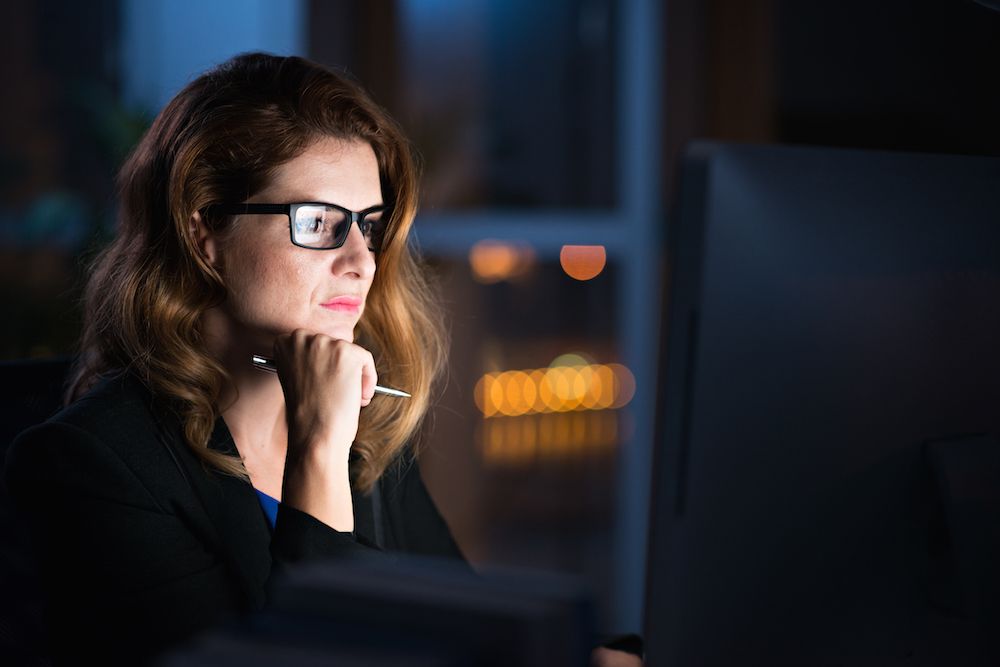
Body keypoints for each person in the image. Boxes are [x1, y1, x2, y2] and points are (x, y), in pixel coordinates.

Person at [4, 52, 641, 665]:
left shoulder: (359, 431)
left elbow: (460, 634)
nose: (361, 260)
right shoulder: (91, 465)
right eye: (318, 223)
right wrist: (317, 451)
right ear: (205, 235)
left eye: (368, 223)